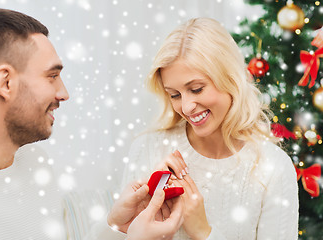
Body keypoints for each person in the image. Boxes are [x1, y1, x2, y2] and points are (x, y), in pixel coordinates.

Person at [0, 8, 183, 240]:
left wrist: (117, 226)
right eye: (52, 76)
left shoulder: (35, 162)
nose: (64, 93)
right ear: (6, 83)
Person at [123, 18, 299, 240]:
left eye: (196, 89)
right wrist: (124, 221)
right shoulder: (147, 149)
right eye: (174, 94)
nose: (186, 107)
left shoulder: (273, 168)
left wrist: (203, 233)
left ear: (231, 80)